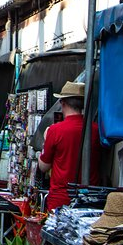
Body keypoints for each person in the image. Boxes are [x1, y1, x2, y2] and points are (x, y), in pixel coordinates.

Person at [38, 81, 100, 211]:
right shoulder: (96, 129)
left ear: (63, 103)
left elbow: (43, 166)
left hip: (61, 197)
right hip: (90, 197)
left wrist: (45, 141)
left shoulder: (55, 130)